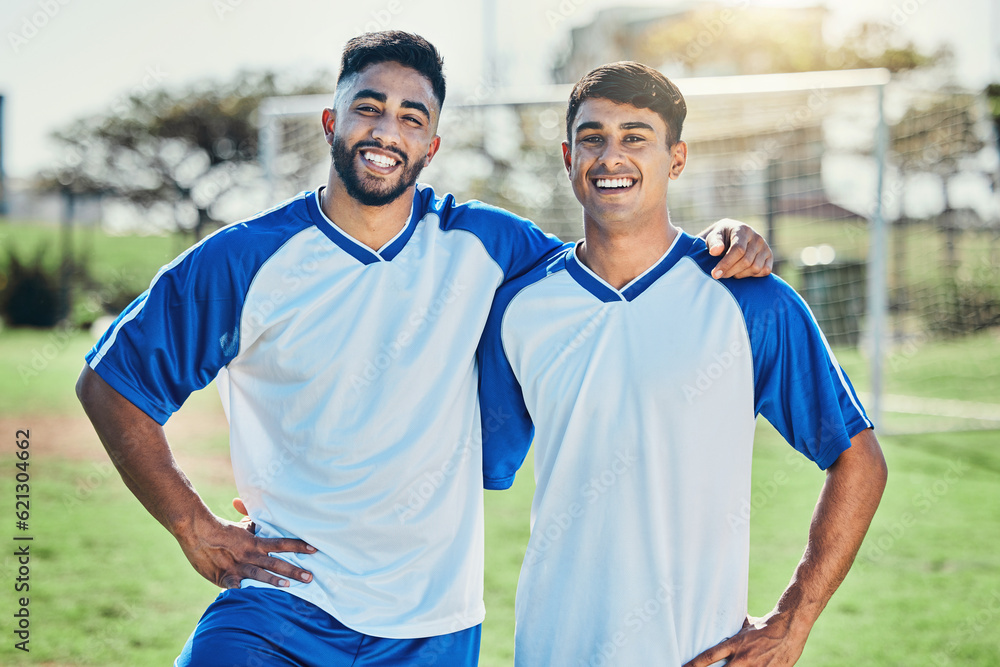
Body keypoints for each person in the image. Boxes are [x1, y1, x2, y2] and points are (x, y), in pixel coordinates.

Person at [75, 33, 773, 666]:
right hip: (279, 606)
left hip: (431, 626)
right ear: (332, 121)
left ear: (432, 145)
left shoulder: (490, 246)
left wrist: (723, 235)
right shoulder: (246, 259)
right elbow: (112, 382)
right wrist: (189, 521)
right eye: (369, 108)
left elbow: (612, 255)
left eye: (412, 118)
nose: (387, 131)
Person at [477, 61, 888, 666]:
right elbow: (464, 462)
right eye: (593, 138)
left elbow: (859, 461)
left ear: (677, 158)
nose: (611, 156)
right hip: (550, 647)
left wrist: (792, 620)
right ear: (568, 156)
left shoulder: (750, 298)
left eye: (635, 138)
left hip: (695, 651)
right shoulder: (519, 307)